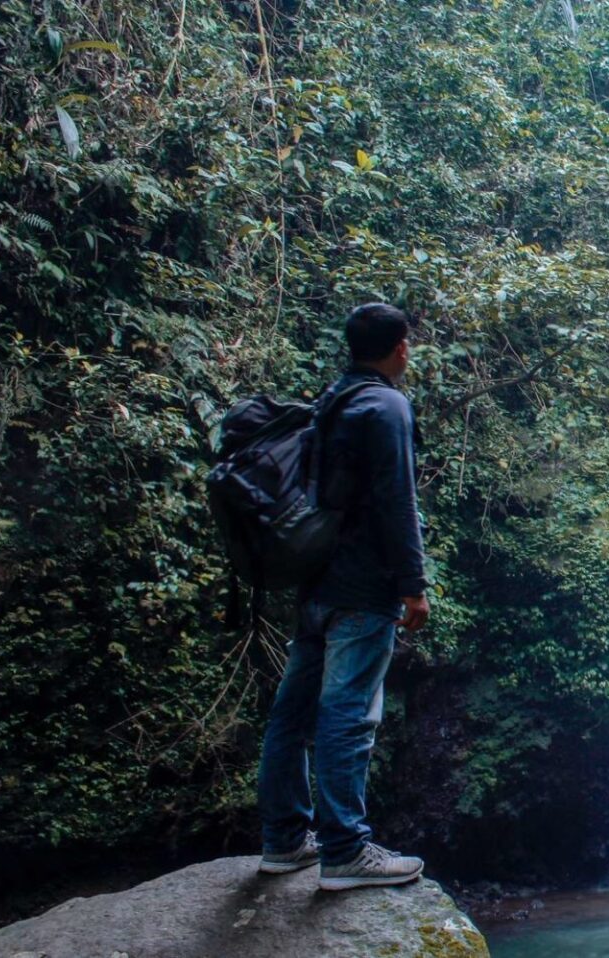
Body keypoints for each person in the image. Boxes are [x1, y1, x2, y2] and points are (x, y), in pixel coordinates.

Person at [255, 303, 432, 891]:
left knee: (293, 714)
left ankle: (284, 840)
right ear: (399, 347)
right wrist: (413, 585)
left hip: (316, 579)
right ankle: (345, 851)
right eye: (407, 343)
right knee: (348, 715)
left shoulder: (333, 398)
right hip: (362, 586)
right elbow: (397, 501)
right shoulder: (387, 406)